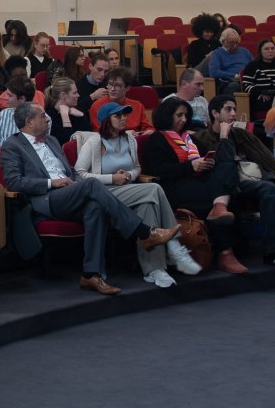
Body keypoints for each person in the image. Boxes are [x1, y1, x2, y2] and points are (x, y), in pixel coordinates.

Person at [0, 102, 179, 295]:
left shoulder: (51, 140)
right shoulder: (13, 145)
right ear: (29, 122)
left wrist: (74, 184)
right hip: (45, 198)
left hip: (69, 192)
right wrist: (52, 182)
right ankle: (144, 232)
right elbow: (13, 182)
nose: (48, 119)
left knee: (95, 205)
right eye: (42, 115)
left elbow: (71, 172)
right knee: (92, 184)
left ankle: (91, 274)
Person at [74, 102, 199, 287]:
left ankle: (155, 270)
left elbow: (137, 167)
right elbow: (79, 174)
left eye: (124, 115)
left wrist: (129, 175)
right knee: (154, 188)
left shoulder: (130, 140)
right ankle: (174, 246)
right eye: (118, 116)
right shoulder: (94, 142)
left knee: (148, 205)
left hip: (130, 190)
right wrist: (111, 178)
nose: (123, 119)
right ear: (106, 120)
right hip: (104, 193)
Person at [194, 95, 275, 269]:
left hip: (259, 175)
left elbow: (265, 158)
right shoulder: (202, 139)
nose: (233, 113)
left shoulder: (240, 134)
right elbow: (222, 166)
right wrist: (224, 137)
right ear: (215, 113)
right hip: (233, 183)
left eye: (235, 109)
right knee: (268, 189)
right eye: (228, 109)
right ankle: (274, 251)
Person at [142, 98, 247, 274]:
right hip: (174, 186)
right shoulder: (156, 139)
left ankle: (219, 208)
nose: (184, 119)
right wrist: (191, 166)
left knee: (226, 167)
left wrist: (208, 162)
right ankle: (225, 252)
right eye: (179, 115)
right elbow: (159, 170)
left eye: (186, 115)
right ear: (167, 116)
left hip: (199, 179)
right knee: (219, 195)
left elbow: (208, 158)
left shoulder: (189, 138)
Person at [89, 69, 154, 134]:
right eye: (110, 84)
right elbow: (98, 132)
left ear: (127, 88)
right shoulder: (97, 105)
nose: (112, 89)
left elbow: (148, 127)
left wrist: (149, 131)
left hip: (136, 138)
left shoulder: (138, 105)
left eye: (117, 85)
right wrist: (125, 134)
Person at [241, 38, 275, 115]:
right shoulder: (252, 66)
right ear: (260, 51)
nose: (270, 51)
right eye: (266, 49)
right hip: (262, 98)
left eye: (272, 48)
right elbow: (246, 85)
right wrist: (259, 93)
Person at [0, 76, 38, 149]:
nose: (6, 98)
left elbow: (40, 151)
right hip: (6, 156)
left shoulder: (43, 119)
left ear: (22, 99)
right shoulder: (3, 115)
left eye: (9, 96)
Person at [45, 77, 90, 146]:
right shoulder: (49, 117)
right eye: (74, 93)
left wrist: (82, 115)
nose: (78, 95)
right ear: (63, 95)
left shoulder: (76, 111)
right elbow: (67, 144)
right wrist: (65, 116)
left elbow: (88, 136)